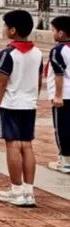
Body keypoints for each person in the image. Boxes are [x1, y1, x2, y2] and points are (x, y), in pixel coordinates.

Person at [0, 10, 43, 207]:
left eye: (5, 26)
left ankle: (16, 190)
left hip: (11, 104)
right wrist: (33, 98)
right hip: (29, 104)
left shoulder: (8, 53)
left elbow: (2, 82)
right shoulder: (37, 53)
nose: (4, 29)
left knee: (12, 145)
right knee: (27, 145)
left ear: (12, 30)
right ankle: (28, 191)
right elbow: (38, 80)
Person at [47, 16, 70, 174]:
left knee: (62, 128)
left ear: (61, 33)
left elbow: (58, 74)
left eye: (53, 30)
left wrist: (57, 96)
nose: (52, 33)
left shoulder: (58, 50)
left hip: (64, 95)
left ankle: (65, 160)